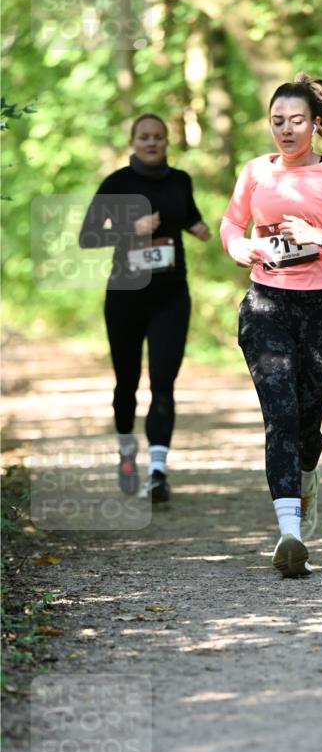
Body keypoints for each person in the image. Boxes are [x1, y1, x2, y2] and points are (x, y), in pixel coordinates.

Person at [221, 73, 322, 577]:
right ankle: (289, 534)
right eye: (277, 122)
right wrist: (238, 246)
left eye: (295, 121)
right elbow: (231, 223)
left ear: (314, 124)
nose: (286, 131)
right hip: (266, 306)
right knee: (282, 415)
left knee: (307, 426)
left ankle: (306, 478)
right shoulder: (255, 172)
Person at [79, 113, 210, 502]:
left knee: (163, 382)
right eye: (144, 137)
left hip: (171, 295)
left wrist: (199, 228)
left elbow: (188, 216)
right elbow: (87, 236)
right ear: (133, 141)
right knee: (127, 383)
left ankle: (157, 472)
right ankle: (125, 452)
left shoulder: (180, 180)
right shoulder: (117, 183)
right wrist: (130, 230)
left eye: (158, 137)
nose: (151, 143)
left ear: (167, 142)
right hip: (126, 295)